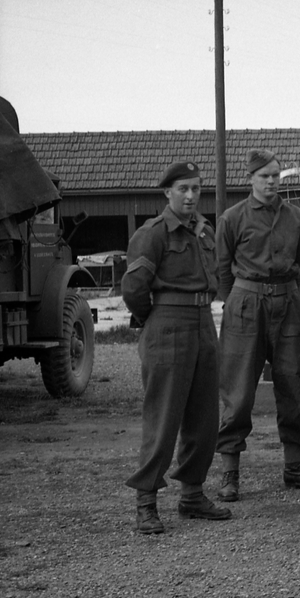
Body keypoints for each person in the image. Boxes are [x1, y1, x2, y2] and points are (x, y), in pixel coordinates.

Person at [213, 149, 300, 502]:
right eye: (264, 176)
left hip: (288, 303)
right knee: (238, 390)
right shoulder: (232, 218)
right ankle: (230, 473)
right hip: (245, 305)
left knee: (294, 383)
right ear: (250, 179)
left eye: (276, 175)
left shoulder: (296, 217)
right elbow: (222, 270)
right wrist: (239, 302)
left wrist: (286, 296)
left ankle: (295, 467)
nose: (271, 181)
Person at [122, 161, 231, 534]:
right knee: (164, 415)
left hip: (203, 324)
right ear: (167, 192)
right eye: (182, 189)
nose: (190, 196)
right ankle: (146, 502)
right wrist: (153, 319)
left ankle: (192, 495)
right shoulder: (153, 233)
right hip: (167, 324)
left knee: (204, 416)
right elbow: (134, 286)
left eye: (196, 189)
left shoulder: (204, 231)